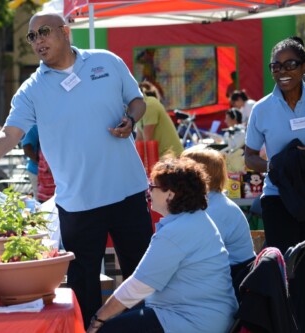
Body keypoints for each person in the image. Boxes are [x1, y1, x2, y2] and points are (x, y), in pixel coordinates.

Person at [0, 12, 153, 327]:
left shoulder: (106, 61)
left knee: (142, 275)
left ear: (65, 32)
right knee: (83, 286)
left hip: (128, 191)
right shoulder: (31, 90)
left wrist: (131, 120)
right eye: (32, 37)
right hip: (78, 203)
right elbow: (9, 133)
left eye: (43, 32)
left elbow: (137, 101)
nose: (38, 41)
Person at [88, 158, 238, 333]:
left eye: (153, 187)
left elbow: (139, 285)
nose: (148, 192)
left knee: (107, 330)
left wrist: (98, 318)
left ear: (171, 194)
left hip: (193, 320)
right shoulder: (195, 219)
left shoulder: (177, 231)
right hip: (203, 315)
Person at [245, 36, 305, 332]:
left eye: (290, 64)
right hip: (278, 198)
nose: (282, 71)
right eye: (275, 66)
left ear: (303, 67)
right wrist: (275, 168)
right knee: (286, 272)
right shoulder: (262, 109)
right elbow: (249, 156)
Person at [181, 147, 255, 297]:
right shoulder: (212, 202)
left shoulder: (213, 210)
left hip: (231, 284)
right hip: (226, 278)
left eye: (183, 170)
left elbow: (193, 255)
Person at [136, 81, 183, 158]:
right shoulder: (139, 109)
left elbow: (147, 140)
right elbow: (139, 139)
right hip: (163, 158)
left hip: (172, 157)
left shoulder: (149, 105)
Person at [22, 125, 40, 196]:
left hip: (53, 171)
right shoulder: (32, 127)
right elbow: (27, 150)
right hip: (36, 171)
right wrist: (42, 166)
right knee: (41, 201)